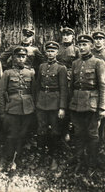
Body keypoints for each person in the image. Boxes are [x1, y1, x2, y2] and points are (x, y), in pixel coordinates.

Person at [68, 35, 105, 173]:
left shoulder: (98, 62)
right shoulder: (75, 63)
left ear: (91, 46)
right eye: (80, 44)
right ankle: (79, 160)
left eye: (85, 44)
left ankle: (92, 163)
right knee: (78, 133)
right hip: (77, 104)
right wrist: (70, 104)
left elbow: (103, 86)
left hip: (92, 105)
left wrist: (102, 107)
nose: (82, 47)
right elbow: (72, 86)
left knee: (92, 134)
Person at [0, 46, 37, 172]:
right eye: (18, 56)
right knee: (11, 135)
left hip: (27, 109)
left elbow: (34, 92)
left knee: (23, 134)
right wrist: (2, 112)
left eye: (23, 56)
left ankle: (17, 158)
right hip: (12, 109)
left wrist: (34, 108)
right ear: (14, 58)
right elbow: (1, 93)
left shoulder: (30, 73)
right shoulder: (7, 73)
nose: (20, 59)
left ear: (26, 58)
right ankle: (7, 158)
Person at [34, 41, 68, 170]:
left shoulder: (61, 68)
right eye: (48, 51)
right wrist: (36, 102)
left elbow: (64, 89)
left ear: (57, 53)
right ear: (45, 52)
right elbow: (37, 86)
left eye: (53, 51)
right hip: (41, 102)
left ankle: (54, 157)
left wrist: (62, 107)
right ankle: (41, 156)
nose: (50, 53)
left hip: (55, 103)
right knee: (41, 129)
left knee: (55, 131)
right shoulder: (41, 66)